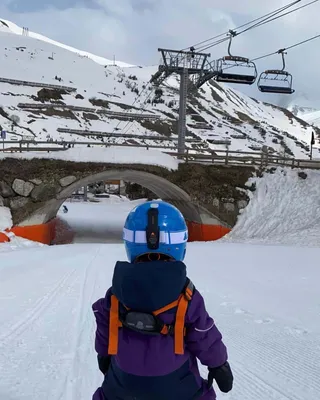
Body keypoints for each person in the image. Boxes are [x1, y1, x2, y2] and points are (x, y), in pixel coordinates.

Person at [92, 201, 233, 400]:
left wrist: (103, 354)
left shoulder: (116, 293)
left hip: (124, 383)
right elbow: (203, 334)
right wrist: (219, 364)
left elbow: (105, 326)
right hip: (176, 385)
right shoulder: (187, 294)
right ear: (179, 244)